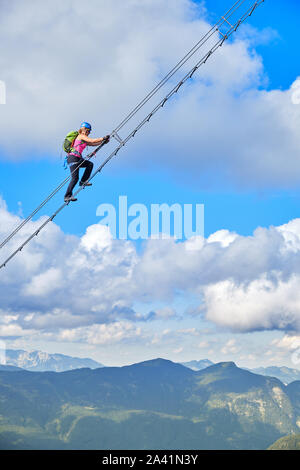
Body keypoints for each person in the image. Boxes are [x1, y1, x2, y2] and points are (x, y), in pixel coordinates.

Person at [64, 122, 110, 202]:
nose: (89, 133)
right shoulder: (81, 136)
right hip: (73, 158)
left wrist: (103, 142)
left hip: (78, 158)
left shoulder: (83, 138)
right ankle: (67, 196)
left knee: (89, 164)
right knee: (75, 178)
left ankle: (83, 181)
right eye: (88, 131)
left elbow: (92, 143)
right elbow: (92, 140)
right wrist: (103, 138)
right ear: (85, 130)